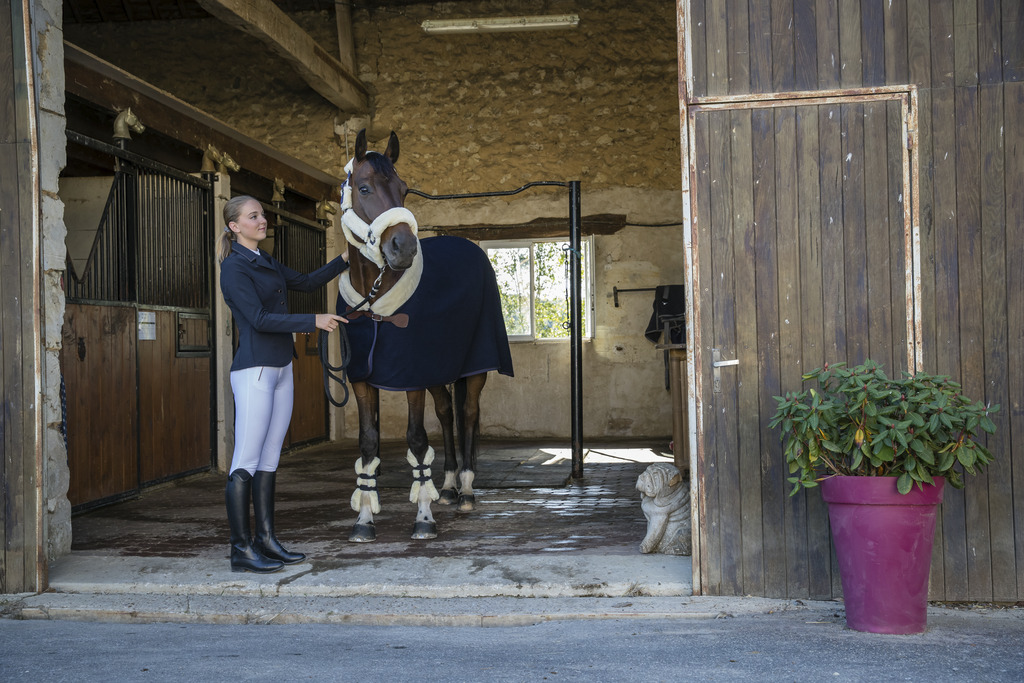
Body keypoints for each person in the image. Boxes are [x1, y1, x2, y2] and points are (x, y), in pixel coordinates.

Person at [217, 195, 348, 573]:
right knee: (246, 460)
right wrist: (313, 321)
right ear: (234, 226)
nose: (262, 220)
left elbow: (306, 283)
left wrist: (344, 261)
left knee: (270, 459)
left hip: (280, 368)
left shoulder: (265, 260)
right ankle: (240, 549)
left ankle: (266, 540)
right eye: (253, 216)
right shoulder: (234, 269)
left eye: (262, 214)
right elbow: (257, 318)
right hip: (254, 369)